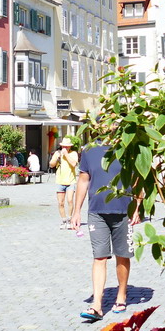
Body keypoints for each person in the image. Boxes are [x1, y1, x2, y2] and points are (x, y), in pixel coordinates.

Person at [70, 141, 139, 321]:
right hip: (96, 212)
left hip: (124, 211)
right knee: (99, 257)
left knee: (122, 255)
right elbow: (84, 180)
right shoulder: (89, 151)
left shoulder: (128, 148)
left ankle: (121, 294)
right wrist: (76, 211)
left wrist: (137, 207)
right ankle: (97, 305)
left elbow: (137, 179)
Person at [51, 137, 80, 229]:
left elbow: (74, 164)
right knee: (60, 202)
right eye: (64, 146)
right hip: (60, 180)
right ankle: (64, 220)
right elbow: (51, 165)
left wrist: (66, 154)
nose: (65, 148)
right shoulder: (57, 153)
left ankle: (70, 218)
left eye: (67, 146)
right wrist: (56, 158)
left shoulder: (73, 153)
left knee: (70, 200)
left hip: (70, 181)